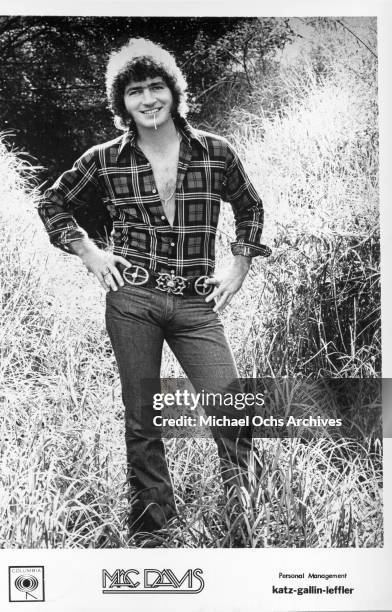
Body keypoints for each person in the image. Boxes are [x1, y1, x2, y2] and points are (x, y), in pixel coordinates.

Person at [37, 38, 271, 544]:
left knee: (231, 410)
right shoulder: (105, 159)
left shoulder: (215, 151)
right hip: (133, 300)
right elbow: (52, 203)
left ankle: (244, 524)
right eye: (135, 91)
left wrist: (238, 268)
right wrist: (90, 252)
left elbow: (250, 206)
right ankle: (154, 534)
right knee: (143, 421)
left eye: (156, 87)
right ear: (122, 102)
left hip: (196, 303)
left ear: (173, 91)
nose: (148, 99)